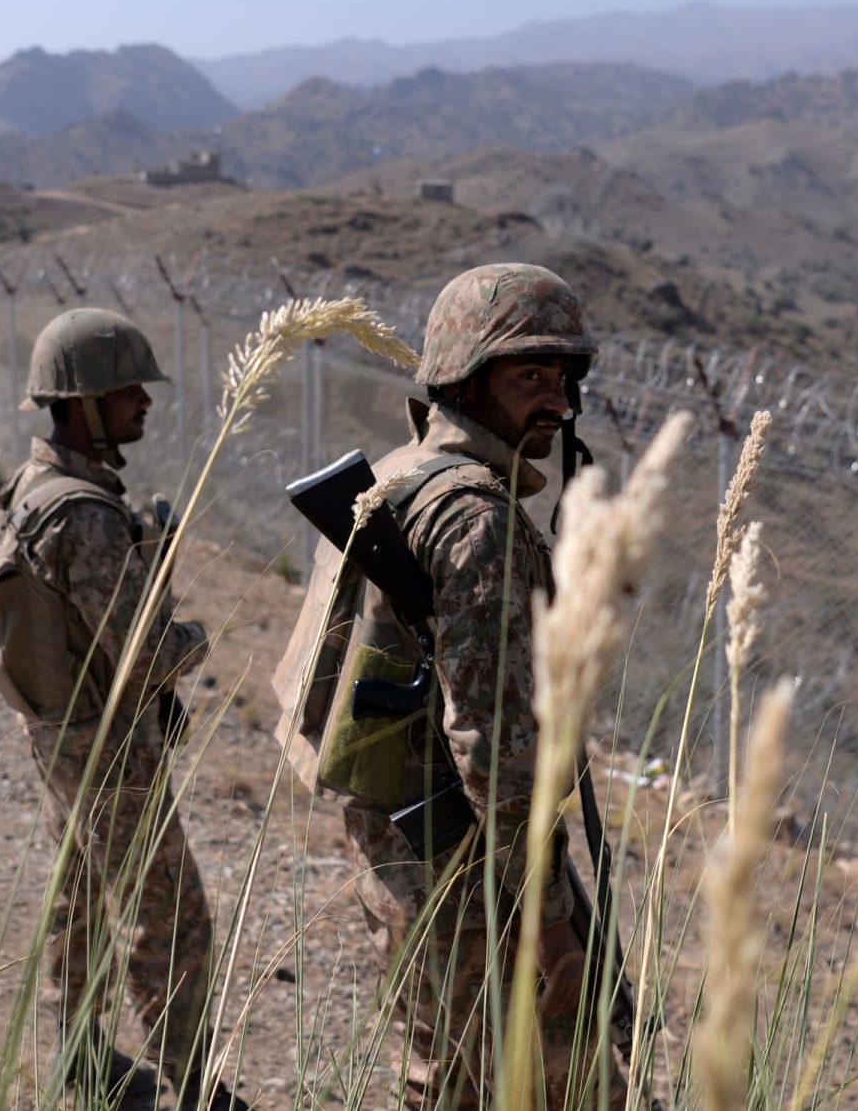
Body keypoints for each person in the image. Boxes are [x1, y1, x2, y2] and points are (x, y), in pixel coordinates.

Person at [272, 263, 623, 1110]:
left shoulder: (401, 478)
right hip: (463, 852)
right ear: (466, 376)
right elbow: (489, 739)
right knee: (540, 1078)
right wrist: (547, 913)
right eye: (530, 376)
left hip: (411, 838)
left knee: (456, 1072)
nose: (560, 402)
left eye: (565, 377)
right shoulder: (473, 518)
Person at [0, 307, 246, 1110]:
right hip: (107, 749)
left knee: (79, 903)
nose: (144, 404)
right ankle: (192, 1087)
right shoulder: (85, 514)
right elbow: (147, 653)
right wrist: (197, 633)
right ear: (83, 403)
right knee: (175, 921)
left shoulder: (36, 486)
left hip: (63, 737)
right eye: (128, 391)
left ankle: (80, 1061)